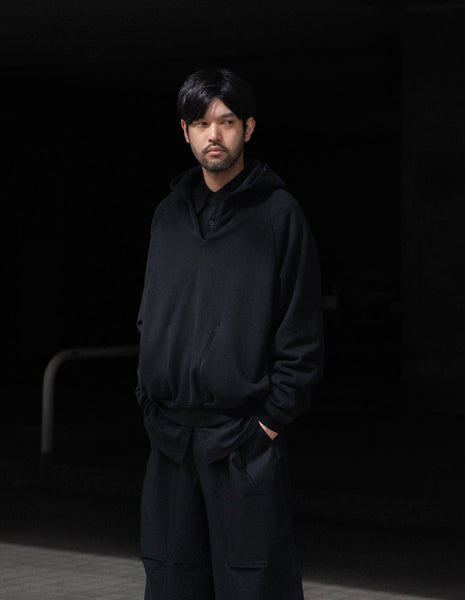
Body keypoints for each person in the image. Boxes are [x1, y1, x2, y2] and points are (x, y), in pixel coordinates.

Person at [136, 68, 324, 600]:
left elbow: (301, 327)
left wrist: (271, 420)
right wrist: (148, 399)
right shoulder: (168, 215)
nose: (214, 134)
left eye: (227, 121)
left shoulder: (279, 215)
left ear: (249, 128)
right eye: (201, 123)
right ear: (185, 131)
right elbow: (150, 312)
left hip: (244, 438)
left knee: (254, 582)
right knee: (171, 580)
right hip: (170, 437)